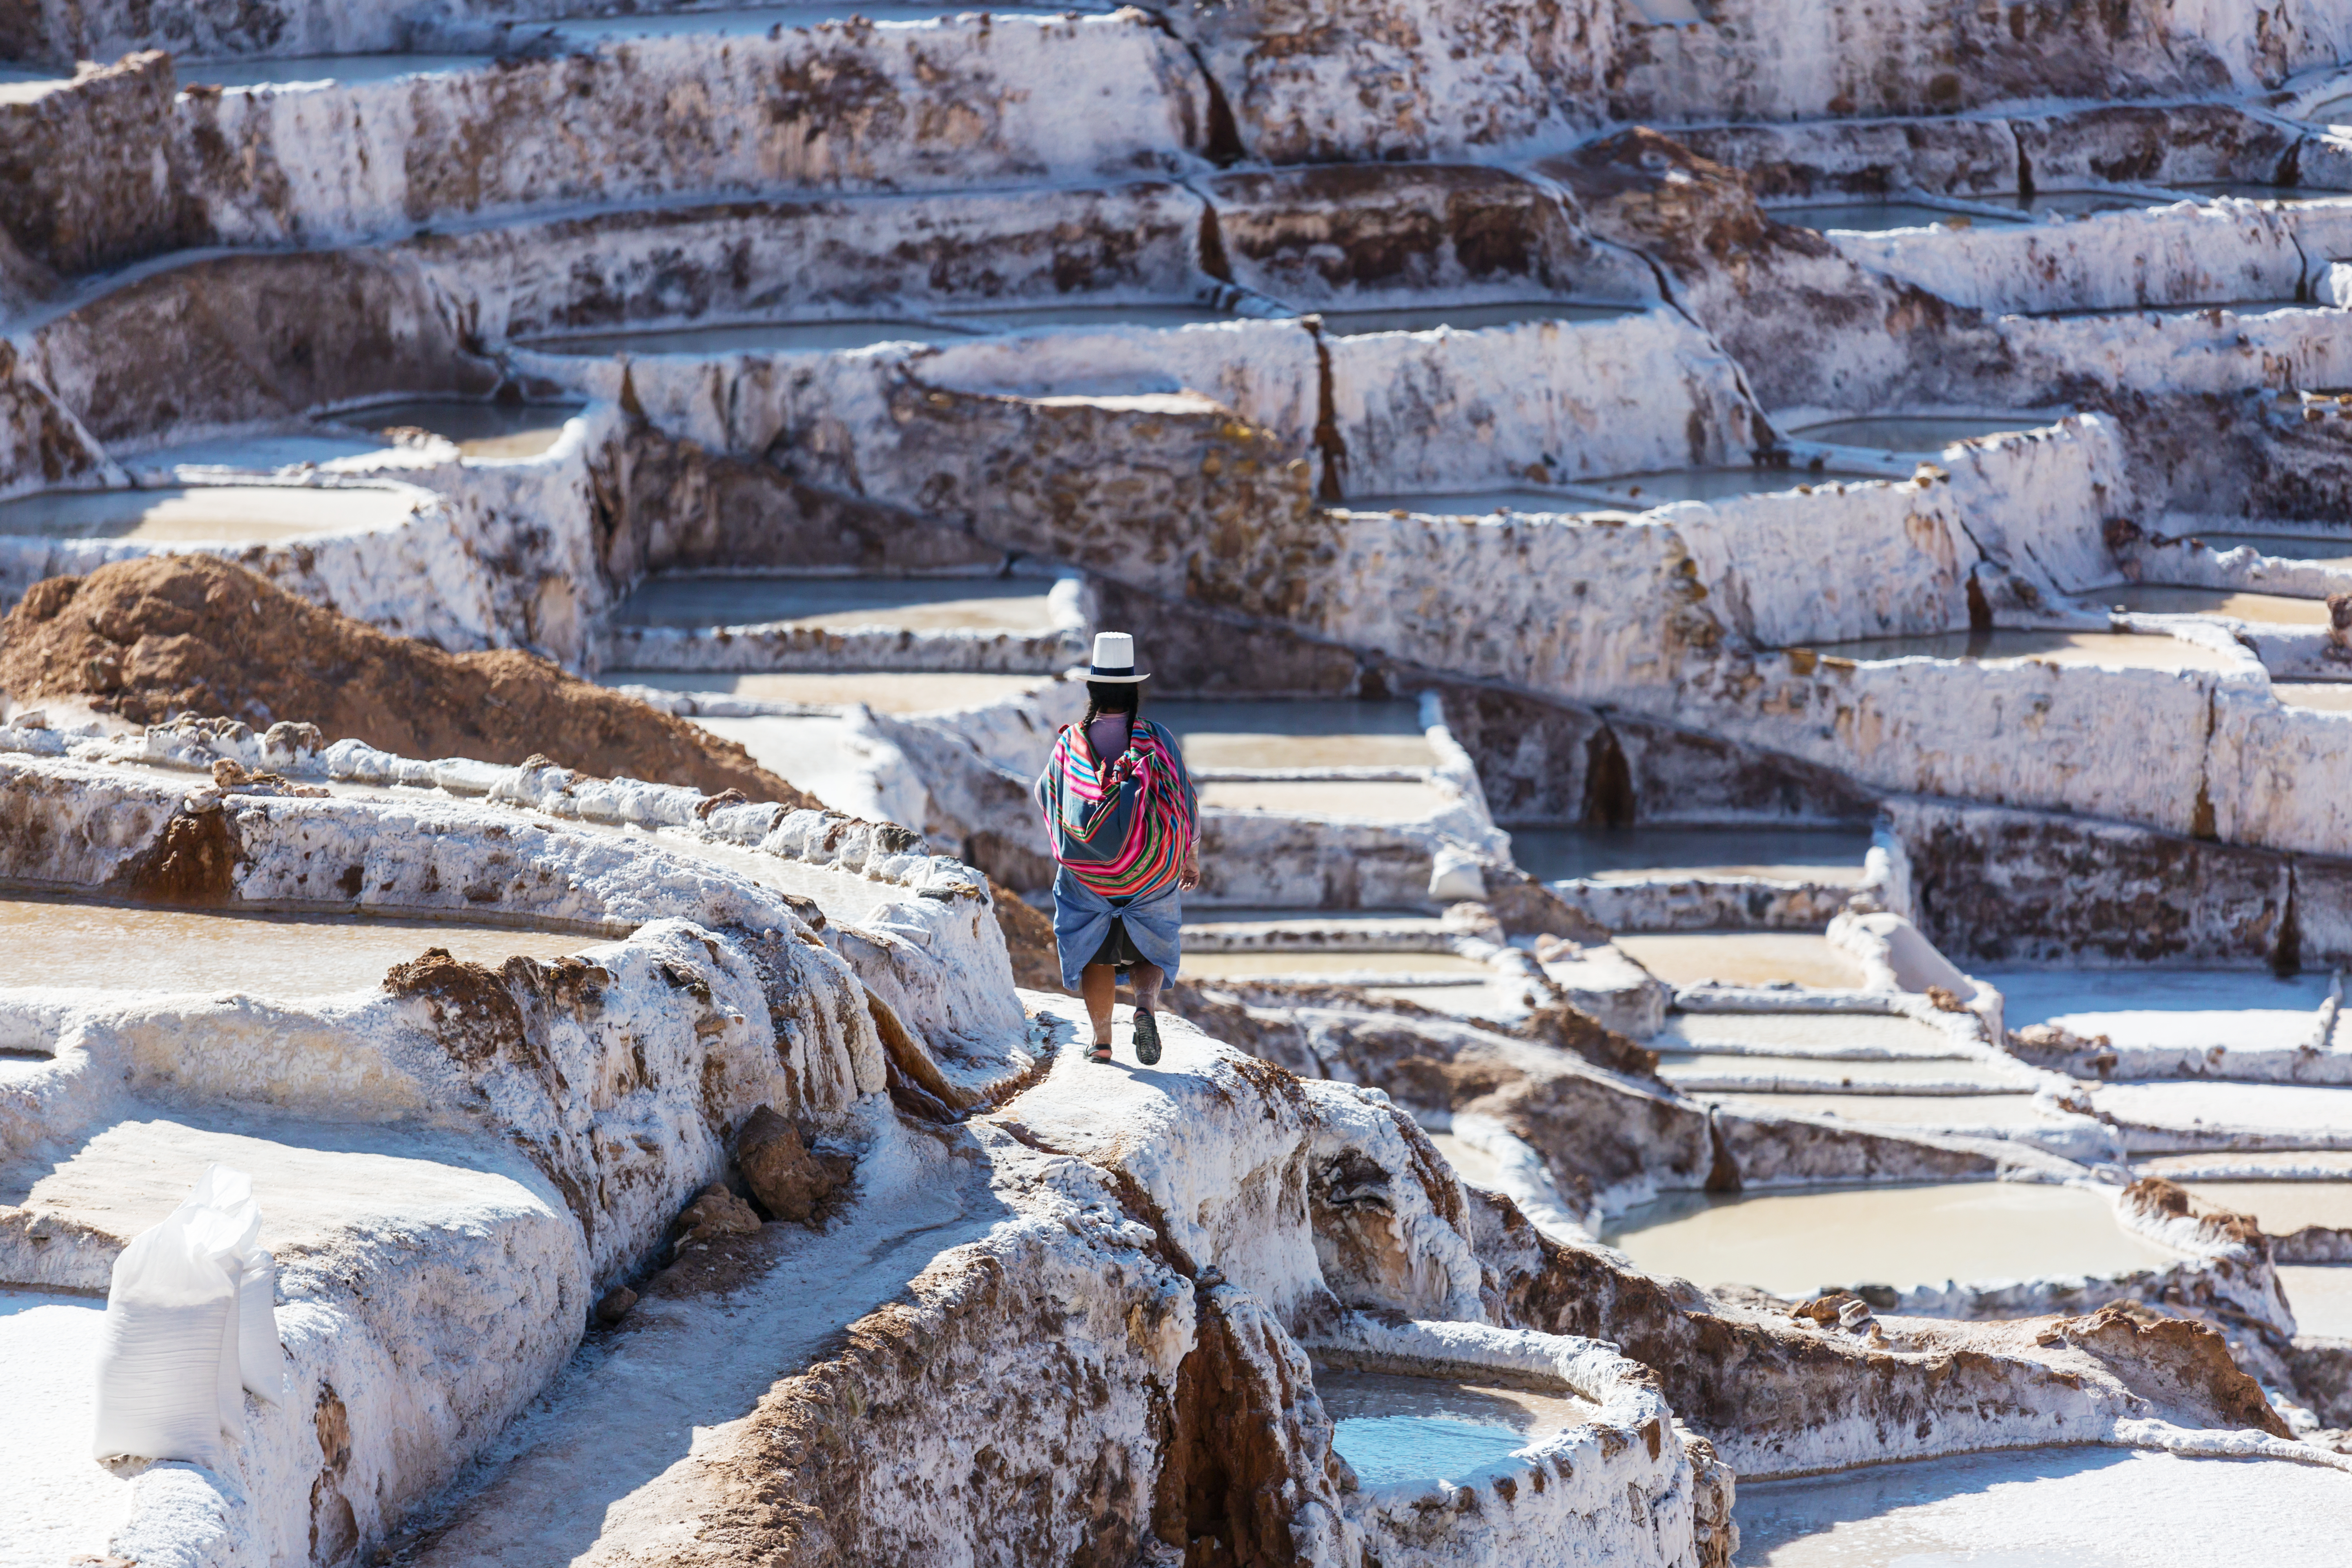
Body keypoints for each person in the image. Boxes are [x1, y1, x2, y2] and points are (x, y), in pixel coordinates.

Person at [1031, 632, 1200, 1065]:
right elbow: (1184, 798)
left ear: (1092, 691)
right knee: (1151, 944)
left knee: (1094, 950)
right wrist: (1188, 855)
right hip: (1151, 870)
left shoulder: (1071, 743)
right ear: (1133, 690)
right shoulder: (1156, 737)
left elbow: (1044, 793)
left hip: (1089, 875)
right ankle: (1145, 1005)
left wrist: (1075, 839)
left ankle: (1102, 1041)